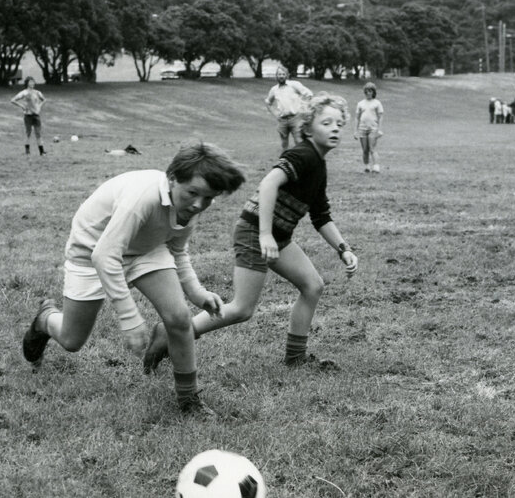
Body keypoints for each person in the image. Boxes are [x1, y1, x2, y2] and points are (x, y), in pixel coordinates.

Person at [21, 142, 246, 415]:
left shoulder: (188, 206)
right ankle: (45, 318)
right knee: (72, 340)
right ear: (173, 178)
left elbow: (177, 250)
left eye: (209, 198)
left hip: (145, 249)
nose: (200, 204)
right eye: (193, 193)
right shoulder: (143, 198)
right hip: (92, 250)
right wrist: (129, 318)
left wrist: (197, 293)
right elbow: (104, 256)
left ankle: (189, 401)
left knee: (179, 318)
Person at [144, 94, 359, 374]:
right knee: (242, 309)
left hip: (277, 237)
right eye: (327, 122)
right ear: (307, 128)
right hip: (255, 232)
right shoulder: (303, 154)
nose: (334, 128)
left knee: (312, 286)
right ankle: (170, 333)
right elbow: (269, 184)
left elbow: (321, 215)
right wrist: (265, 235)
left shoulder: (318, 164)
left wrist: (343, 248)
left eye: (339, 124)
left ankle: (295, 357)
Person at [264, 66, 313, 150]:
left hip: (296, 118)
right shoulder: (274, 89)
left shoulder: (294, 85)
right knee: (284, 141)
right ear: (276, 76)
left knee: (299, 140)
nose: (281, 76)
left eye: (283, 74)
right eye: (279, 74)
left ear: (287, 75)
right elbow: (268, 103)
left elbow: (309, 94)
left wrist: (304, 107)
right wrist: (276, 114)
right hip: (282, 120)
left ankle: (301, 158)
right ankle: (285, 158)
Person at [10, 77, 47, 156]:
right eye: (30, 82)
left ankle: (41, 151)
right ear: (27, 83)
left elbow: (44, 100)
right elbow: (13, 100)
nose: (32, 84)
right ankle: (27, 150)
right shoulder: (24, 93)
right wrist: (22, 106)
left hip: (36, 115)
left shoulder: (37, 92)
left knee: (38, 133)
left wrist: (39, 106)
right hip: (28, 115)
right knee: (28, 133)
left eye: (33, 82)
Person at [354, 82, 384, 173]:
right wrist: (355, 131)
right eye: (366, 91)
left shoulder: (377, 103)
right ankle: (366, 166)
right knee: (365, 149)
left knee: (372, 148)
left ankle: (376, 166)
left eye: (370, 91)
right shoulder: (360, 103)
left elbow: (380, 116)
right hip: (362, 129)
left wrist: (379, 129)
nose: (368, 93)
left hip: (373, 129)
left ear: (373, 92)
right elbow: (357, 117)